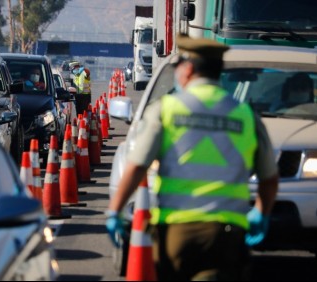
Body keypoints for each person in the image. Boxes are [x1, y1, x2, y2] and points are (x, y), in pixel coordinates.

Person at [106, 34, 279, 281]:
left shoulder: (166, 110)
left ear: (188, 69)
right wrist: (261, 212)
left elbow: (136, 166)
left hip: (177, 233)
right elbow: (269, 178)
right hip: (227, 235)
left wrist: (115, 211)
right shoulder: (246, 116)